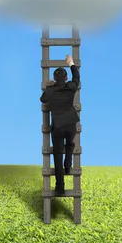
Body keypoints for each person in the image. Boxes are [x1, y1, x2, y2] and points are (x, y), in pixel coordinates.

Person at [40, 54, 80, 196]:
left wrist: (48, 87)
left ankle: (60, 186)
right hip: (70, 124)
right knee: (70, 144)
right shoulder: (70, 87)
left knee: (57, 156)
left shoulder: (51, 90)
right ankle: (68, 165)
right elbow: (77, 78)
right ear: (66, 78)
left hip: (57, 126)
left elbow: (43, 99)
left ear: (55, 79)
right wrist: (71, 63)